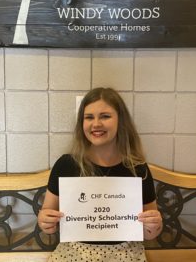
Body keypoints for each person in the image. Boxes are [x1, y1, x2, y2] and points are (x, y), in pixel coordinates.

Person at [38, 87, 163, 262]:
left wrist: (154, 225)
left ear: (121, 121)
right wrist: (45, 221)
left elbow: (150, 233)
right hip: (74, 253)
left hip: (126, 254)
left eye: (105, 116)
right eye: (89, 117)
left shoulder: (138, 169)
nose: (96, 124)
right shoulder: (66, 165)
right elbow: (47, 219)